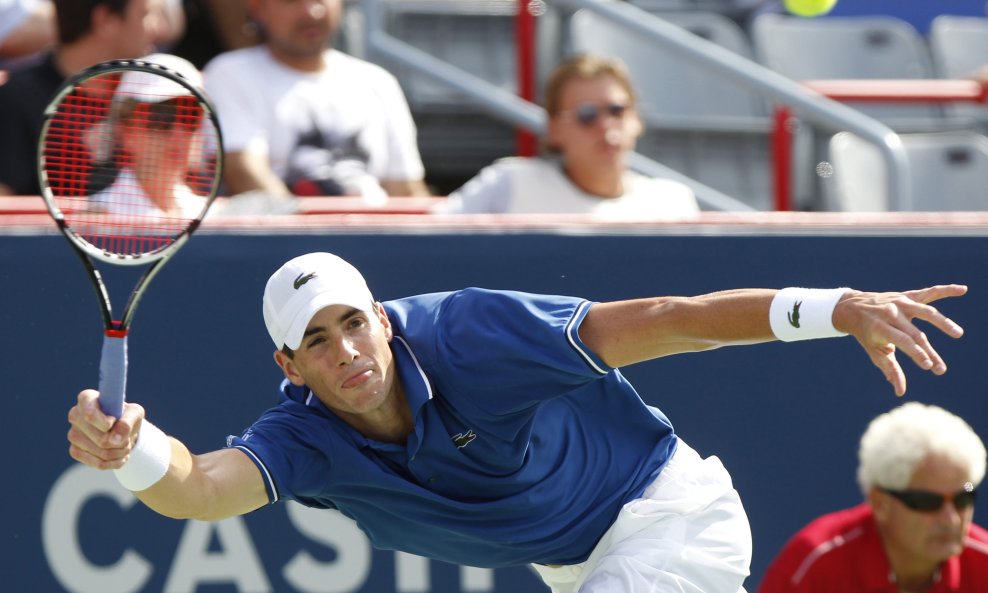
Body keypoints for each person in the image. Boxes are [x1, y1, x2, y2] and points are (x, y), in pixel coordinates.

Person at [67, 251, 967, 593]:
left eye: (353, 322)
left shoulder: (473, 335)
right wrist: (134, 449)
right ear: (289, 367)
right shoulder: (302, 438)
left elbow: (670, 318)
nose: (346, 350)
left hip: (666, 514)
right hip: (577, 567)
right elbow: (201, 489)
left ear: (381, 318)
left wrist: (834, 306)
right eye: (316, 340)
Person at [202, 0, 429, 204]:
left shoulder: (379, 82)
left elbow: (406, 191)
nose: (312, 11)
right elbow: (244, 174)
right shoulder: (229, 74)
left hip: (377, 234)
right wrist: (304, 231)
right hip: (281, 238)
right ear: (258, 8)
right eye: (291, 1)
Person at [432, 54, 700, 220]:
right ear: (554, 129)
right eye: (587, 115)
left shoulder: (673, 200)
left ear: (636, 119)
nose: (606, 125)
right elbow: (431, 246)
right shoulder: (509, 181)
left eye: (617, 110)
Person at [757, 402, 987, 593]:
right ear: (880, 503)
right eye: (927, 502)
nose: (951, 519)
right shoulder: (815, 564)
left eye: (963, 498)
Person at [0, 0, 155, 197]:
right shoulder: (15, 99)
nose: (156, 27)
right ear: (105, 19)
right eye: (144, 15)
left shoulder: (153, 95)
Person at [89, 53, 208, 218]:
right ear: (125, 129)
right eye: (162, 116)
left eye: (191, 117)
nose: (179, 134)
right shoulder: (96, 218)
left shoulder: (214, 213)